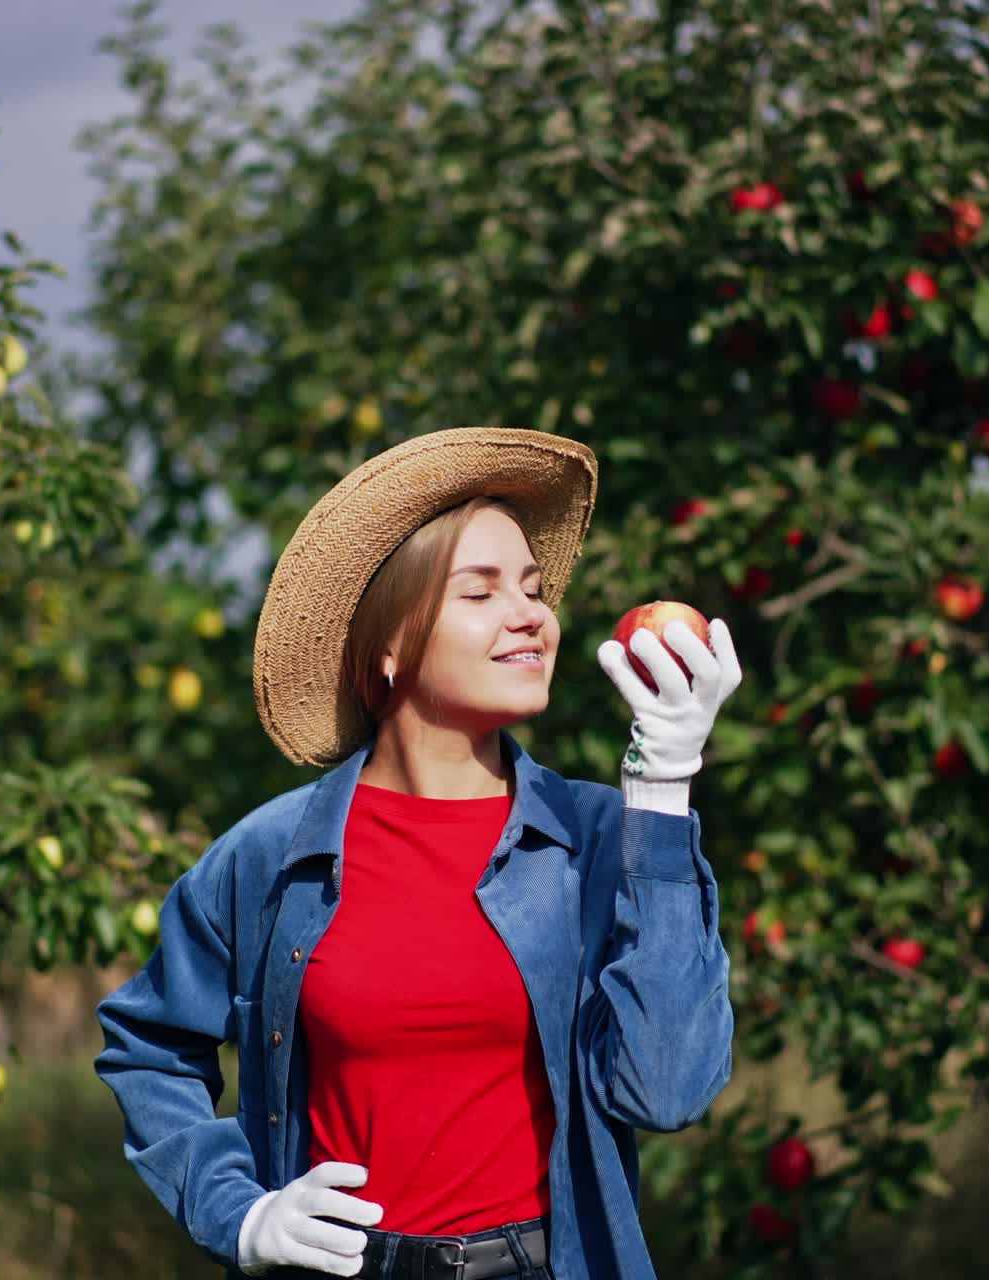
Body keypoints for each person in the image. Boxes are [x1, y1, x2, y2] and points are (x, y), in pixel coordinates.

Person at [95, 426, 740, 1280]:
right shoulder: (270, 856)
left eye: (534, 590)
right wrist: (239, 1212)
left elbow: (667, 1092)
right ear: (390, 645)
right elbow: (148, 1045)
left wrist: (662, 791)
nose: (530, 615)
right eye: (480, 593)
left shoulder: (600, 840)